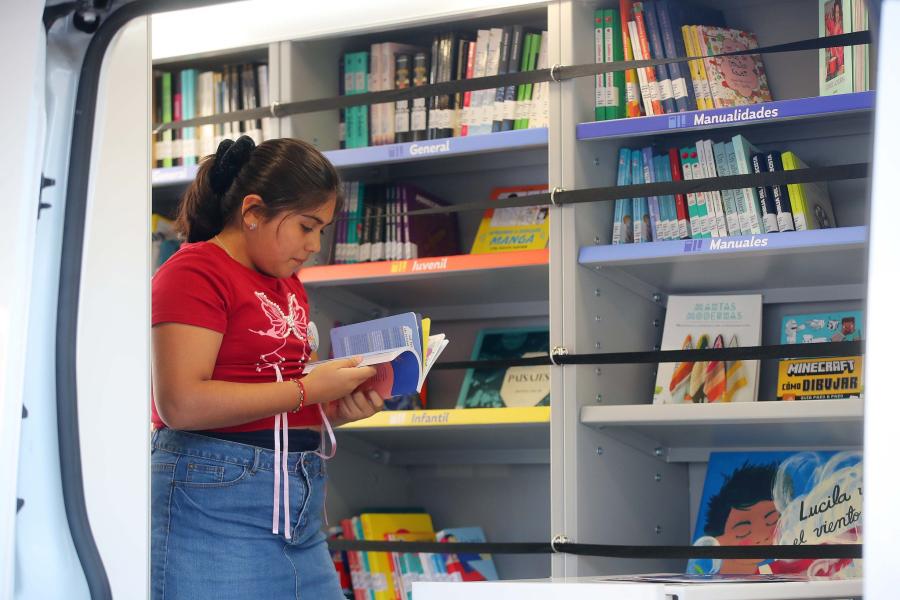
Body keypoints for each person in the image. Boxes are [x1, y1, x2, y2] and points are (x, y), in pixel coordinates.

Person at [150, 135, 385, 599]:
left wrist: (333, 409)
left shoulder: (287, 283)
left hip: (299, 503)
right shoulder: (193, 271)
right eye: (306, 226)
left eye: (322, 230)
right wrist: (308, 392)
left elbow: (275, 396)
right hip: (213, 502)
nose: (314, 245)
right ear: (253, 211)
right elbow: (181, 403)